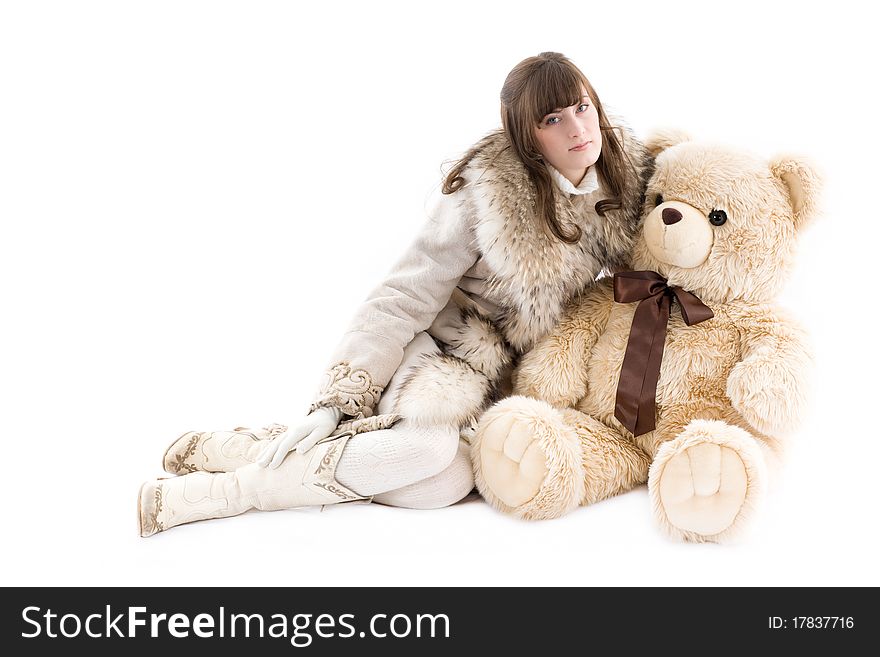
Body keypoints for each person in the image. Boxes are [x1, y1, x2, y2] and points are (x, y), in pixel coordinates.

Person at [138, 51, 651, 537]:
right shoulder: (487, 194)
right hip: (441, 350)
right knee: (427, 452)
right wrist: (336, 402)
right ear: (526, 136)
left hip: (509, 377)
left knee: (443, 486)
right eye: (553, 119)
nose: (579, 129)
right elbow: (405, 294)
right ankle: (225, 493)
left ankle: (255, 449)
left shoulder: (625, 179)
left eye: (583, 107)